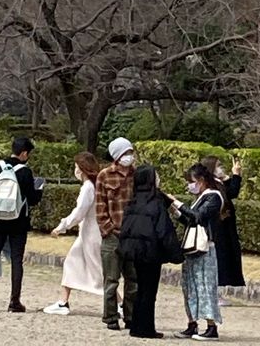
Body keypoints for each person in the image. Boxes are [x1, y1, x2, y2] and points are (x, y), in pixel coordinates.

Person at [0, 136, 43, 312]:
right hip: (18, 221)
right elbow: (31, 199)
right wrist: (39, 192)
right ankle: (14, 301)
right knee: (16, 259)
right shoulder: (25, 172)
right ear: (24, 153)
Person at [119, 164, 183, 339]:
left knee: (140, 289)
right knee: (149, 291)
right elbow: (164, 230)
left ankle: (136, 325)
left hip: (136, 251)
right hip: (151, 251)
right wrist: (176, 254)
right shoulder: (156, 203)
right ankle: (145, 328)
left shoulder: (133, 201)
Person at [43, 152, 103, 315]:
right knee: (72, 262)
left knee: (98, 271)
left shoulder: (88, 188)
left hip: (91, 234)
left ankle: (119, 304)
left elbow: (79, 213)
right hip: (88, 233)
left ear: (82, 169)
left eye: (76, 167)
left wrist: (62, 226)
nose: (75, 170)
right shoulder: (94, 186)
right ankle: (63, 302)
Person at [173, 163, 225, 341]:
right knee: (189, 287)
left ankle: (211, 327)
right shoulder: (201, 196)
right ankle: (192, 323)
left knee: (205, 286)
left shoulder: (213, 197)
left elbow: (198, 217)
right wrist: (177, 212)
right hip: (193, 248)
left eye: (192, 181)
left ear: (202, 180)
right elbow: (191, 222)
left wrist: (177, 204)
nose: (190, 185)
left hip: (205, 249)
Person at [96, 137, 138, 331]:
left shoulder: (137, 175)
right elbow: (100, 206)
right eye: (125, 153)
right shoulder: (104, 176)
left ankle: (130, 316)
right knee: (111, 280)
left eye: (130, 152)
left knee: (133, 279)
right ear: (116, 155)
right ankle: (111, 316)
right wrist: (108, 229)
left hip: (132, 235)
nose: (129, 156)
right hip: (112, 236)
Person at [201, 155, 245, 290]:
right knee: (220, 258)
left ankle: (219, 289)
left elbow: (230, 192)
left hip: (224, 227)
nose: (221, 168)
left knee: (225, 258)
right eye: (218, 166)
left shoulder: (217, 182)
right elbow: (231, 192)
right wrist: (236, 176)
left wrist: (229, 178)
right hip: (219, 229)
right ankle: (216, 291)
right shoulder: (213, 185)